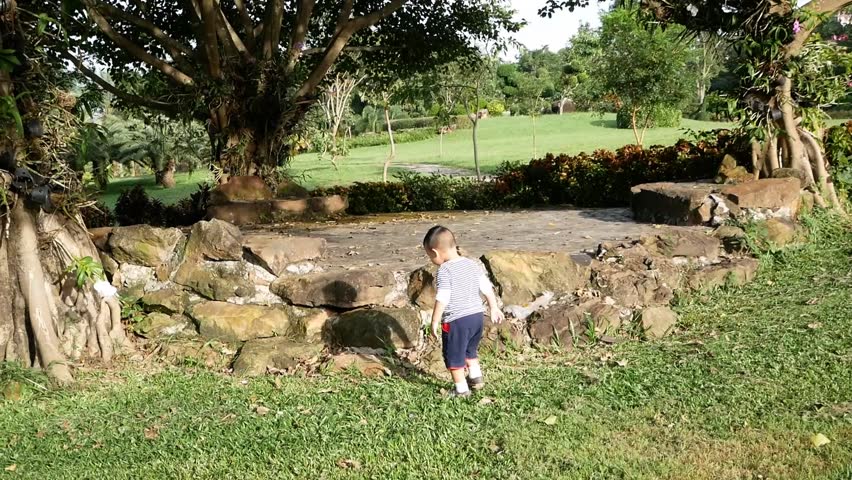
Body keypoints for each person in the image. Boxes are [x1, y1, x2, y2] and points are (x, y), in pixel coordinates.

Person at [422, 225, 504, 397]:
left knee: (454, 355)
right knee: (469, 350)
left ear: (436, 253)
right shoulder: (472, 264)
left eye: (430, 256)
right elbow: (487, 288)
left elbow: (443, 297)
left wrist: (435, 321)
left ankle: (461, 390)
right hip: (476, 317)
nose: (431, 259)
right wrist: (494, 307)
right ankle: (476, 378)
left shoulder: (445, 270)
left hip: (456, 321)